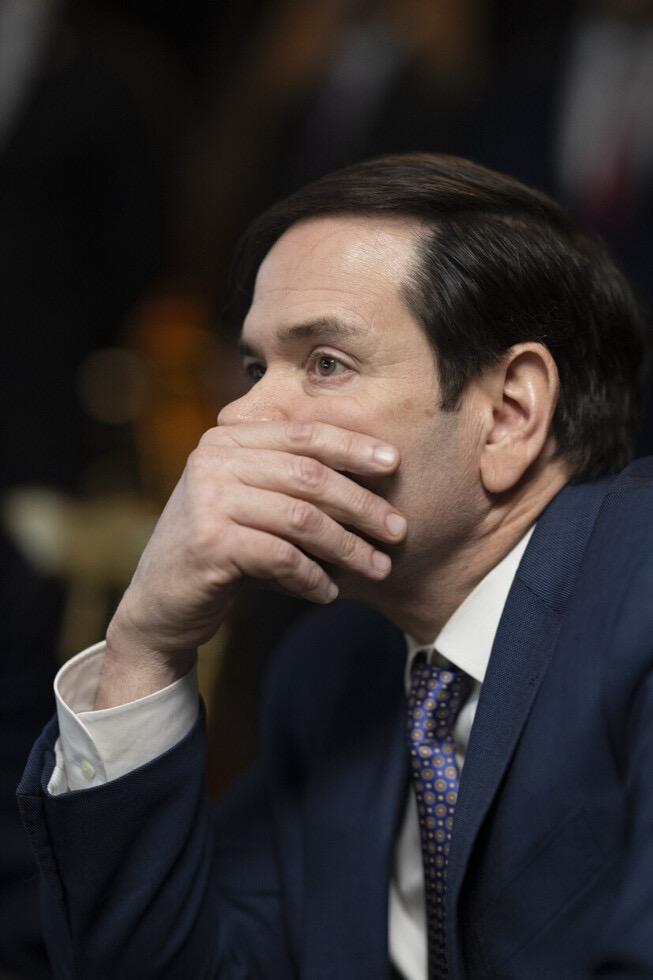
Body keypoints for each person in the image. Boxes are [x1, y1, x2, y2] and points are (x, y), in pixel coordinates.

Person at [17, 154, 653, 979]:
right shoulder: (329, 677)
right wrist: (143, 647)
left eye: (324, 362)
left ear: (507, 413)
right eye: (254, 370)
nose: (238, 418)